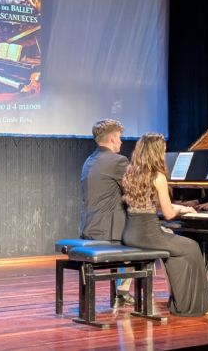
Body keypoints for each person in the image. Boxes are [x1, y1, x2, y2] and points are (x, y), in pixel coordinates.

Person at [121, 133, 208, 317]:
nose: (164, 155)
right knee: (192, 247)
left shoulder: (130, 173)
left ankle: (182, 302)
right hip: (149, 235)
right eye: (163, 151)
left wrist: (181, 207)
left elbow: (151, 206)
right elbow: (168, 214)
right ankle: (195, 306)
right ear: (155, 152)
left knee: (179, 251)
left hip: (131, 234)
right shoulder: (158, 177)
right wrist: (183, 210)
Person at [80, 119, 133, 305]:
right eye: (119, 138)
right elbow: (136, 192)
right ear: (112, 139)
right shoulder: (118, 161)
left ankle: (123, 291)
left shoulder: (89, 160)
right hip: (107, 232)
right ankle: (125, 291)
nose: (121, 142)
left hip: (89, 227)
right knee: (146, 239)